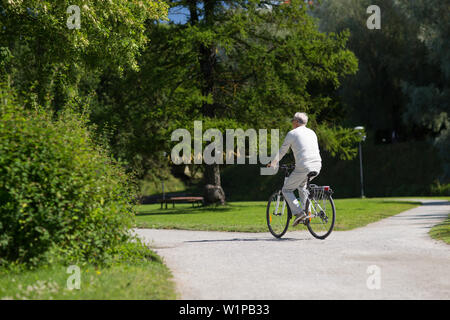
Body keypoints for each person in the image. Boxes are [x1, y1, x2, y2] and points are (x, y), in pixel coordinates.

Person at [267, 112, 322, 226]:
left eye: (293, 121)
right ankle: (308, 212)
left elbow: (282, 150)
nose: (292, 123)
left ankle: (299, 213)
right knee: (302, 186)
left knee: (286, 190)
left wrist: (273, 163)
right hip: (317, 165)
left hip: (304, 166)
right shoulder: (312, 132)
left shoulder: (292, 133)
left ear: (296, 122)